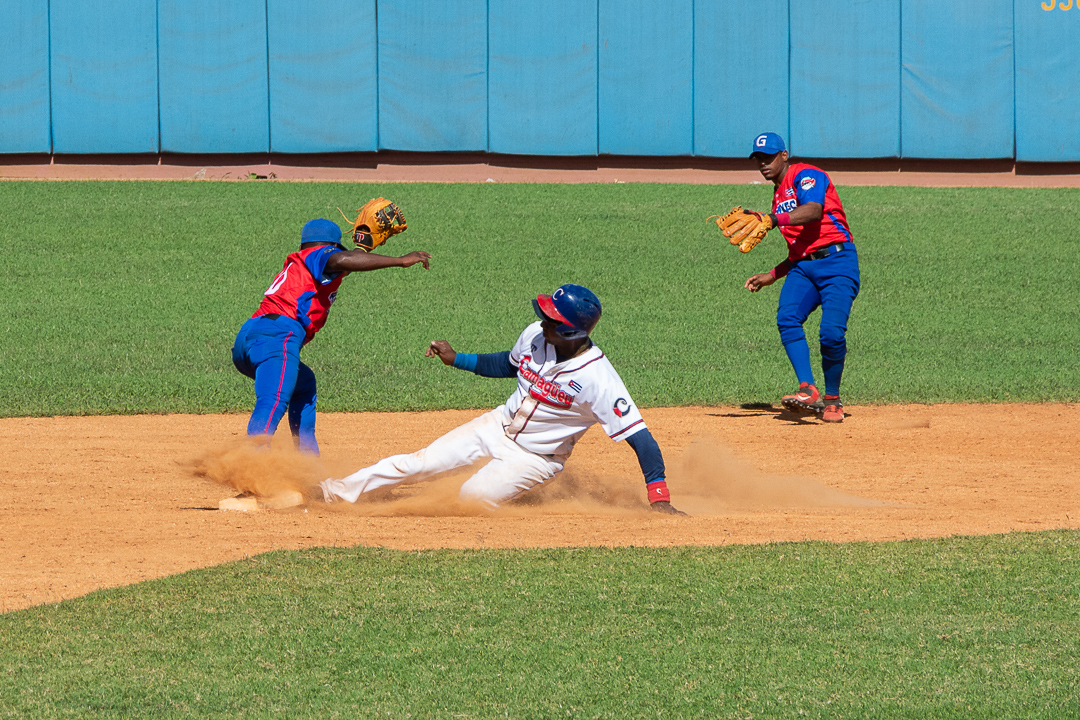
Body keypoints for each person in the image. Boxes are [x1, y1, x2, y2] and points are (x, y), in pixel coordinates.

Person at [316, 284, 685, 514]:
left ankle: (517, 489)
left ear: (572, 330)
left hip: (536, 458)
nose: (542, 322)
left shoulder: (599, 380)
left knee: (469, 499)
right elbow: (508, 365)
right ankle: (332, 492)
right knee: (415, 464)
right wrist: (457, 358)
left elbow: (641, 438)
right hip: (495, 427)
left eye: (551, 319)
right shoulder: (534, 336)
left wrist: (659, 498)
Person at [232, 211, 430, 454]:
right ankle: (251, 466)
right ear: (332, 246)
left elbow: (345, 261)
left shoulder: (307, 261)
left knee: (303, 385)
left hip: (250, 337)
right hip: (277, 336)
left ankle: (306, 468)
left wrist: (363, 247)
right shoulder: (320, 256)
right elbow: (341, 261)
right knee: (272, 401)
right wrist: (400, 260)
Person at [741, 132, 861, 423]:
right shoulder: (778, 195)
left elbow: (814, 211)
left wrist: (772, 219)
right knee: (787, 317)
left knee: (831, 334)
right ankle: (808, 389)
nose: (763, 164)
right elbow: (799, 250)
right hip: (803, 268)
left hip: (838, 263)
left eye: (769, 157)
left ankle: (833, 399)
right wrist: (772, 274)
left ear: (784, 155)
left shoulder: (807, 175)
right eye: (758, 159)